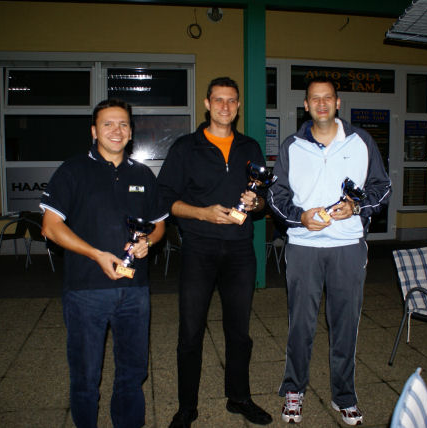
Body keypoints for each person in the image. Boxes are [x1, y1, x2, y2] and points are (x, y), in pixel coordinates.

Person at [268, 76, 391, 426]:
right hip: (304, 246)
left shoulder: (361, 141)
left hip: (347, 246)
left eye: (328, 98)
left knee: (345, 325)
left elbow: (382, 188)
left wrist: (356, 207)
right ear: (306, 105)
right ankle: (294, 390)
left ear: (338, 103)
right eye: (314, 99)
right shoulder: (292, 146)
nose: (321, 104)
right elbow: (276, 195)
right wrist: (300, 217)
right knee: (300, 325)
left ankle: (344, 396)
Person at [40, 99, 167, 428]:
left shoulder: (142, 174)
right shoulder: (73, 170)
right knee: (85, 377)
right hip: (86, 290)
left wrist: (148, 241)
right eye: (108, 124)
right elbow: (50, 227)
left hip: (135, 290)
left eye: (123, 124)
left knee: (133, 373)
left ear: (131, 132)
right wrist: (96, 254)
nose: (116, 130)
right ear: (94, 131)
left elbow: (159, 225)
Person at [157, 77, 273, 428]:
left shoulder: (250, 147)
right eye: (218, 100)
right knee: (191, 332)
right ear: (207, 104)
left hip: (240, 251)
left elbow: (264, 201)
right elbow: (165, 200)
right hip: (199, 249)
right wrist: (202, 213)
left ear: (238, 106)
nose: (225, 106)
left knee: (239, 332)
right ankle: (187, 407)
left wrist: (256, 203)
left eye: (231, 100)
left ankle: (239, 397)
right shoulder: (186, 148)